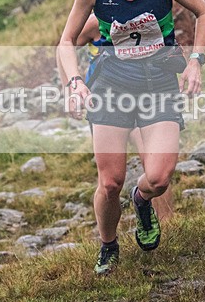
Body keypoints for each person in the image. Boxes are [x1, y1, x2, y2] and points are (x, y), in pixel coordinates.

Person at [57, 0, 205, 275]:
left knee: (158, 178)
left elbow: (204, 12)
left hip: (159, 83)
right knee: (110, 182)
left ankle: (141, 202)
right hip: (113, 85)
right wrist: (74, 82)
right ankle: (109, 246)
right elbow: (65, 41)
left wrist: (195, 61)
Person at [56, 13, 176, 222]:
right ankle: (110, 239)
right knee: (110, 181)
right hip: (107, 104)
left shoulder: (147, 13)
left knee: (154, 166)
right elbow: (63, 46)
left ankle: (167, 225)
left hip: (141, 99)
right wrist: (70, 90)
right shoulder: (95, 21)